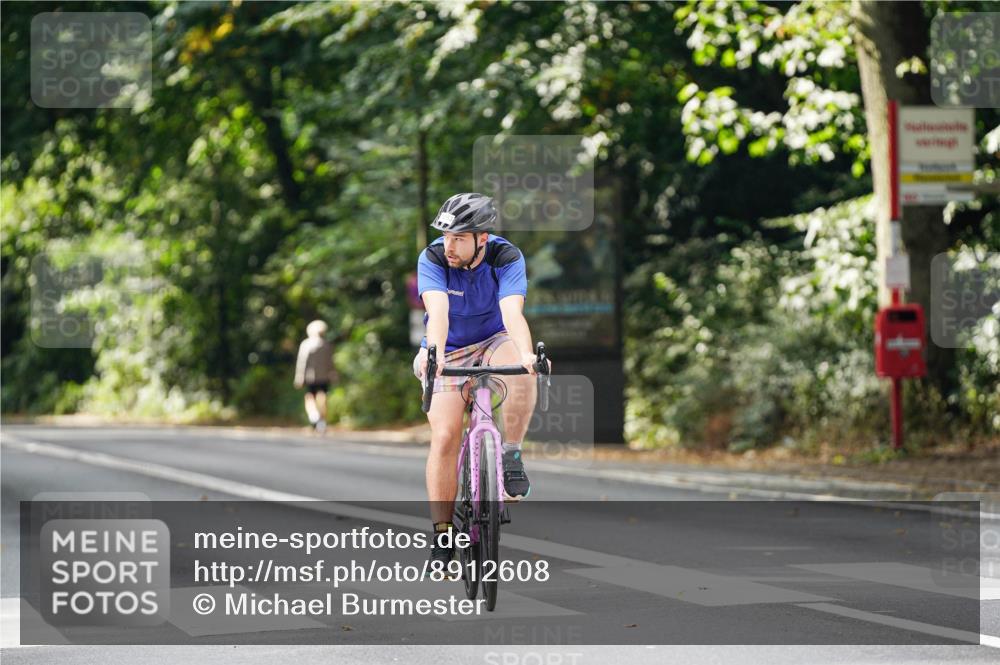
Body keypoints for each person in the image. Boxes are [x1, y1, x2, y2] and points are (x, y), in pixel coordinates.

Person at [413, 192, 549, 572]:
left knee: (522, 370)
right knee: (444, 436)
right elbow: (437, 313)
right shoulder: (434, 257)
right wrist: (433, 355)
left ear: (482, 238)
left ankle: (512, 454)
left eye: (459, 237)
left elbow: (512, 312)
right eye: (446, 235)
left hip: (493, 339)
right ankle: (442, 535)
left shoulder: (506, 257)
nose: (449, 244)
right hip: (449, 345)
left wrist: (526, 355)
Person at [294, 320, 336, 434]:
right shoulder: (326, 345)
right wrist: (333, 374)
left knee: (309, 397)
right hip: (324, 376)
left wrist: (299, 378)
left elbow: (302, 363)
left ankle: (314, 416)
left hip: (310, 377)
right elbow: (331, 363)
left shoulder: (306, 344)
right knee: (323, 397)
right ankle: (321, 421)